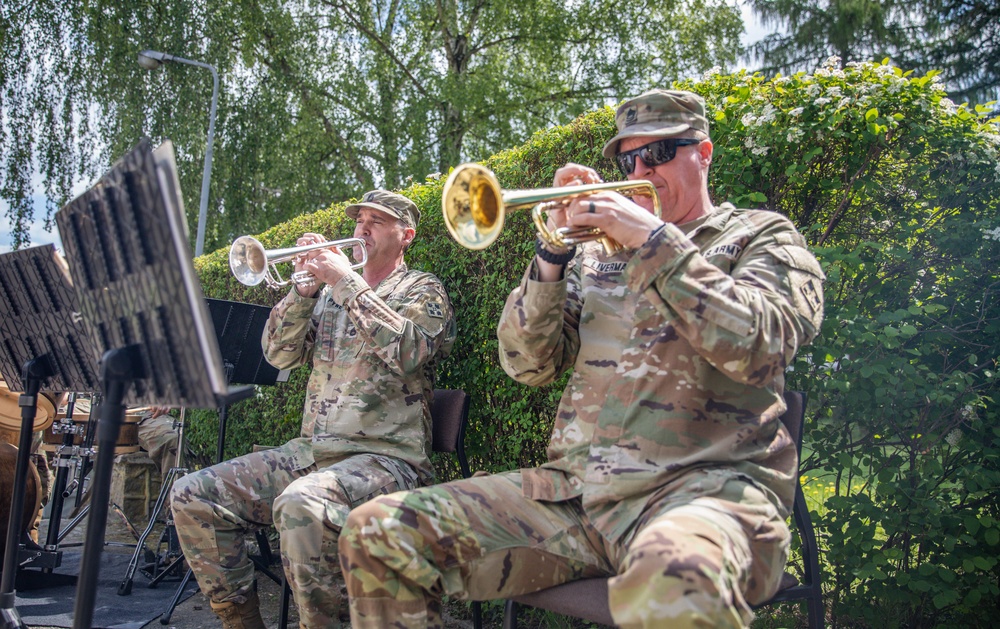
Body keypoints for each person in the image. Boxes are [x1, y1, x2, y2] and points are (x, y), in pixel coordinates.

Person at [338, 89, 826, 628]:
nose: (640, 169)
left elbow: (767, 341)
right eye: (628, 159)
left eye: (659, 153)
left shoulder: (763, 235)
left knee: (677, 585)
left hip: (703, 494)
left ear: (703, 153)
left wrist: (650, 238)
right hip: (577, 495)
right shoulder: (595, 256)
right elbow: (527, 364)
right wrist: (553, 253)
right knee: (377, 533)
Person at [171, 190, 456, 629]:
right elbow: (278, 356)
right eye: (360, 218)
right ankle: (240, 621)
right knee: (193, 494)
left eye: (377, 221)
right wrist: (303, 293)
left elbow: (411, 352)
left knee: (301, 505)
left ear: (406, 236)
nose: (362, 227)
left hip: (388, 460)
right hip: (311, 453)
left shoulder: (422, 288)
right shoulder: (325, 296)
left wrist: (344, 281)